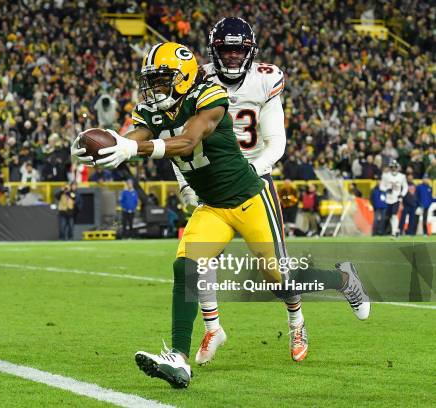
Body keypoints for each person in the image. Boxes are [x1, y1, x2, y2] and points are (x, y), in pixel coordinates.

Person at [71, 42, 370, 388]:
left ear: (183, 78)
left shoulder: (209, 95)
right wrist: (113, 143)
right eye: (151, 80)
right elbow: (138, 134)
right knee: (185, 265)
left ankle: (344, 279)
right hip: (212, 206)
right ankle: (179, 360)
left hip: (248, 200)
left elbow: (187, 140)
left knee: (281, 283)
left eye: (162, 79)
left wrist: (131, 148)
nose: (154, 88)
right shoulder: (155, 109)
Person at [176, 17, 304, 364]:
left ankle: (296, 321)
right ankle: (213, 327)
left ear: (251, 52)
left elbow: (276, 141)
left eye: (239, 49)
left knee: (275, 270)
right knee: (196, 260)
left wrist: (252, 170)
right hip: (212, 182)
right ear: (213, 51)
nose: (232, 56)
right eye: (226, 49)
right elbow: (181, 138)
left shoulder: (265, 80)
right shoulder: (196, 78)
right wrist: (186, 183)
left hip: (252, 181)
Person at [380, 160, 408, 238]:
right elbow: (381, 186)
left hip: (396, 198)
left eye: (395, 167)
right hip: (388, 199)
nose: (394, 169)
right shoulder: (385, 175)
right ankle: (393, 231)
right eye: (392, 167)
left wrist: (402, 195)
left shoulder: (402, 176)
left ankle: (394, 232)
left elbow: (405, 187)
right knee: (388, 216)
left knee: (394, 215)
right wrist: (386, 189)